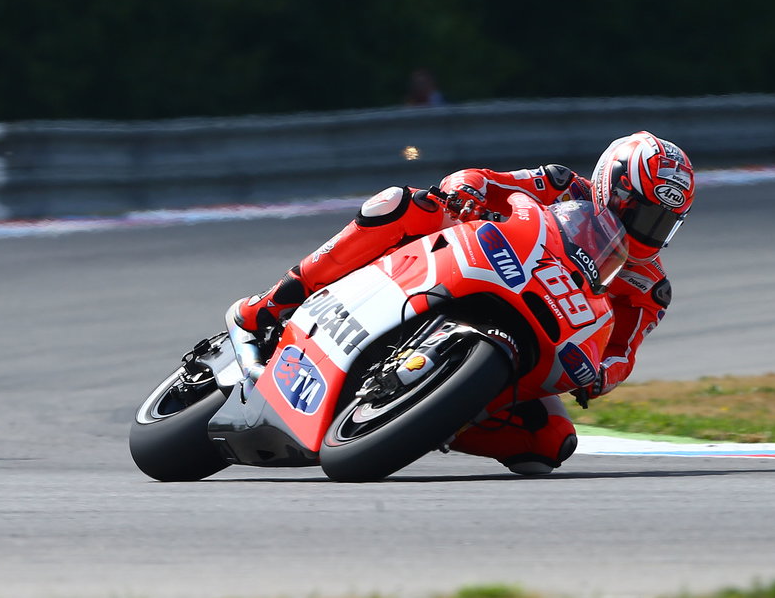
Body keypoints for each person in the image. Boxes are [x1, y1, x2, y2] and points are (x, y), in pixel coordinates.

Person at [230, 131, 694, 475]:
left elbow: (623, 353)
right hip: (470, 264)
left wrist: (602, 376)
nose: (647, 231)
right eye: (643, 213)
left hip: (539, 333)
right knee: (402, 204)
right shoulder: (558, 186)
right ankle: (273, 304)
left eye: (662, 223)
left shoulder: (649, 287)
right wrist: (465, 189)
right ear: (612, 187)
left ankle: (429, 417)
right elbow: (484, 180)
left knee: (549, 445)